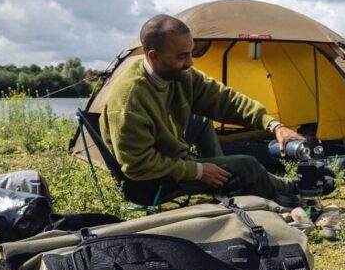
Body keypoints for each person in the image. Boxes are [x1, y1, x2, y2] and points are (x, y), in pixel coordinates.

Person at [100, 14, 308, 204]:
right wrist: (197, 171)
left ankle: (224, 183)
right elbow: (138, 167)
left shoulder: (182, 76)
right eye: (181, 57)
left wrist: (274, 125)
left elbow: (225, 100)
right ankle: (292, 188)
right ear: (153, 56)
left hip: (172, 159)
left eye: (191, 54)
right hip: (149, 182)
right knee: (247, 165)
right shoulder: (129, 100)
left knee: (200, 119)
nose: (190, 62)